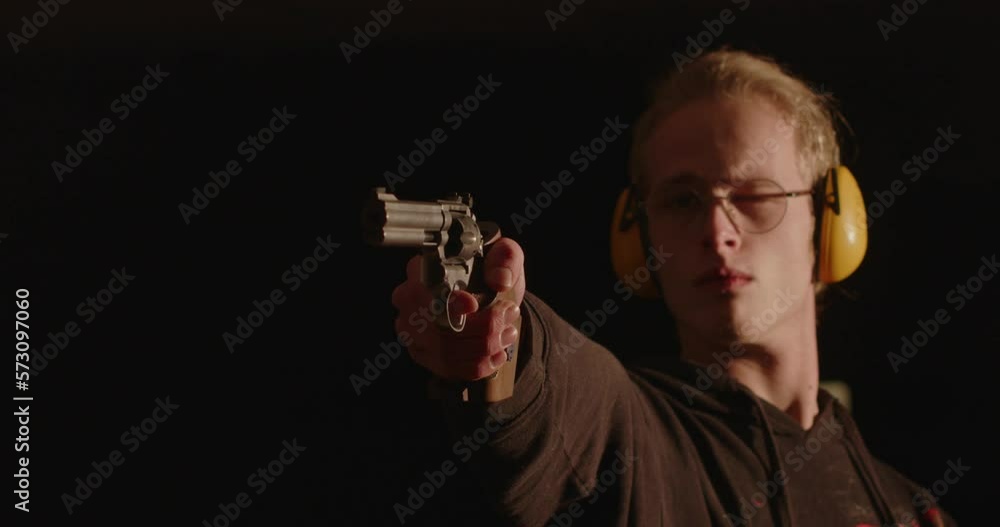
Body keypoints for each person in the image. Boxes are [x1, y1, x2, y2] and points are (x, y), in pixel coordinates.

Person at [390, 48, 958, 526]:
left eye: (754, 195)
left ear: (831, 224)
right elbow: (567, 394)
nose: (716, 230)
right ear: (638, 241)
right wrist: (502, 338)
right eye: (682, 201)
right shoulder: (639, 441)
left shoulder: (916, 513)